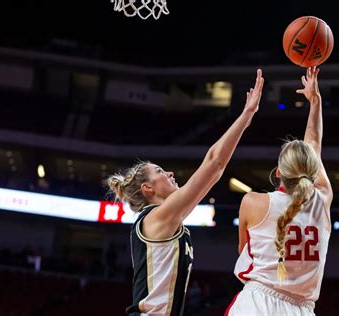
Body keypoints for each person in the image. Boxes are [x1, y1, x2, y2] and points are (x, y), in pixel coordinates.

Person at [106, 69, 264, 316]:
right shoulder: (158, 218)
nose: (169, 173)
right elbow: (214, 163)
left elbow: (215, 172)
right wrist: (246, 115)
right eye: (159, 171)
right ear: (148, 188)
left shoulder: (169, 218)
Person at [225, 66, 333, 316]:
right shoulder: (323, 200)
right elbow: (314, 146)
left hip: (258, 303)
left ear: (277, 173)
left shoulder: (253, 202)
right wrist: (315, 102)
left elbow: (244, 249)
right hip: (302, 310)